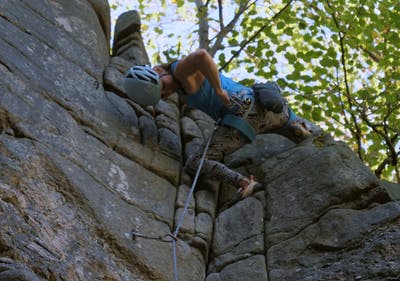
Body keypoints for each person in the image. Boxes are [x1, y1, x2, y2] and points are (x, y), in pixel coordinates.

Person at [124, 49, 317, 201]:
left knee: (196, 163)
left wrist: (218, 91)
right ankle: (295, 127)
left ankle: (243, 183)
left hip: (242, 114)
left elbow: (201, 56)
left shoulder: (180, 71)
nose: (167, 92)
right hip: (272, 109)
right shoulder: (182, 87)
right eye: (163, 94)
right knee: (284, 125)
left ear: (158, 70)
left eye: (163, 86)